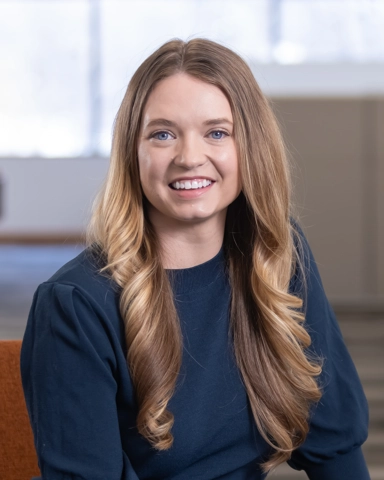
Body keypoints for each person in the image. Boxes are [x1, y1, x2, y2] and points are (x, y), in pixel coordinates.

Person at [21, 38, 370, 480]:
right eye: (163, 134)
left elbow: (334, 445)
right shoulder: (74, 304)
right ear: (134, 151)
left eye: (216, 133)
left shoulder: (278, 256)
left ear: (251, 148)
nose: (189, 157)